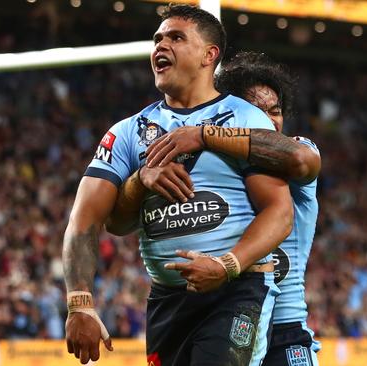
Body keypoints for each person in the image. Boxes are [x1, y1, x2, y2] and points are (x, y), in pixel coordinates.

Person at [62, 5, 293, 366]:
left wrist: (226, 265)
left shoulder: (246, 118)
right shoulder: (126, 133)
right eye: (157, 39)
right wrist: (80, 303)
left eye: (175, 37)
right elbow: (92, 222)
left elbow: (280, 212)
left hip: (236, 291)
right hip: (167, 302)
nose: (160, 46)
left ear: (209, 55)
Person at [129, 52, 322, 365]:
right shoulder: (212, 168)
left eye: (275, 111)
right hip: (220, 316)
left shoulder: (293, 150)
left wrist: (205, 134)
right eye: (256, 112)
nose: (269, 122)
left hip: (284, 330)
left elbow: (303, 159)